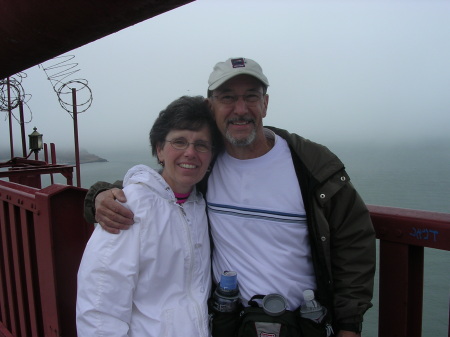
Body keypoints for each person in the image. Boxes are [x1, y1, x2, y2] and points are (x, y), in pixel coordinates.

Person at [84, 57, 376, 337]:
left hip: (304, 324)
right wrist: (99, 195)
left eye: (251, 96)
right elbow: (159, 186)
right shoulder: (208, 161)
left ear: (265, 103)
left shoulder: (309, 162)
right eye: (227, 97)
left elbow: (353, 239)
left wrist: (349, 324)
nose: (240, 109)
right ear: (211, 106)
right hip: (231, 324)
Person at [76, 96, 222, 336]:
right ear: (159, 150)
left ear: (211, 156)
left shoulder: (201, 205)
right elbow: (100, 305)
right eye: (179, 142)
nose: (190, 152)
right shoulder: (128, 206)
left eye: (202, 145)